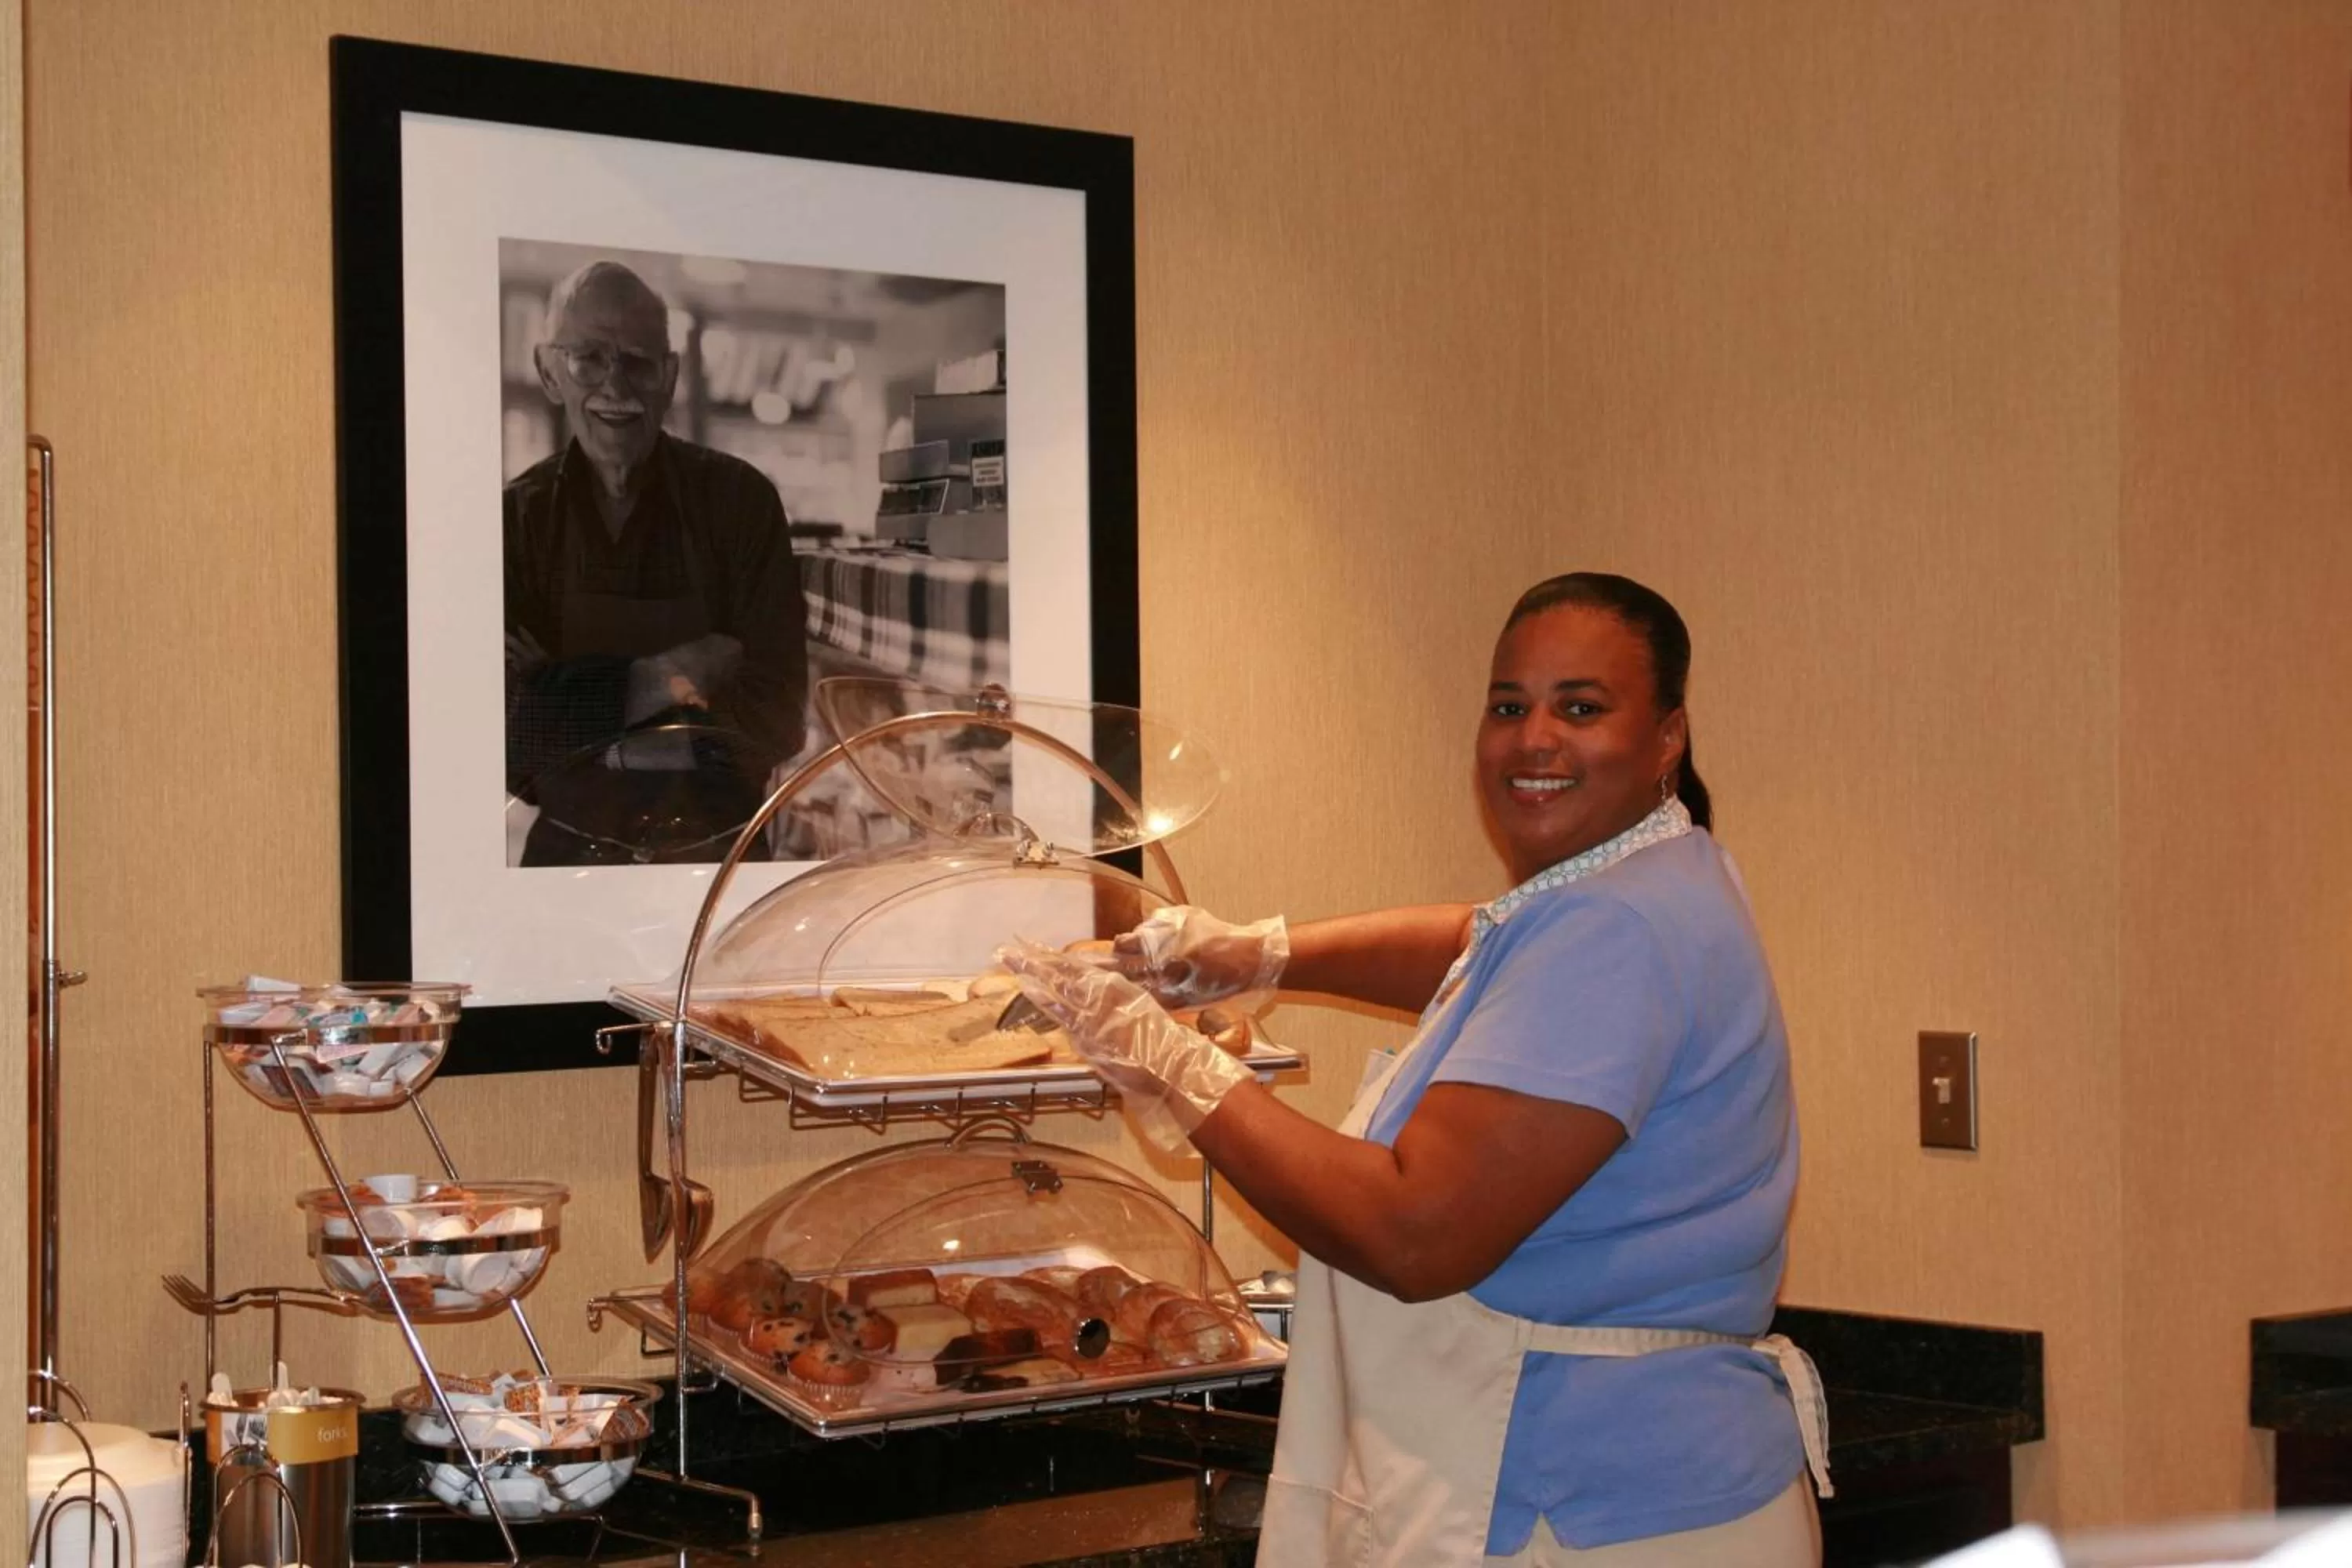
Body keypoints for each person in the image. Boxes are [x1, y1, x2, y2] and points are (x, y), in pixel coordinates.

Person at [1000, 573, 1828, 1567]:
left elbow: (1415, 1229)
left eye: (1582, 707)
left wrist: (1169, 1061)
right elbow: (1482, 945)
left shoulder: (1618, 925)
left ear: (1667, 736)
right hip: (1643, 1491)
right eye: (1509, 705)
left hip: (1602, 1515)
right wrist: (1259, 952)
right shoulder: (1649, 880)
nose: (1534, 738)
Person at [503, 260, 809, 866]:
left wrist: (584, 714)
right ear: (549, 372)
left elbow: (776, 720)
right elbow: (511, 740)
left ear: (669, 377)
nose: (616, 387)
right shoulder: (516, 520)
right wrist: (674, 673)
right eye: (588, 357)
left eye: (638, 361)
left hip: (719, 858)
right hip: (567, 864)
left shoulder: (740, 502)